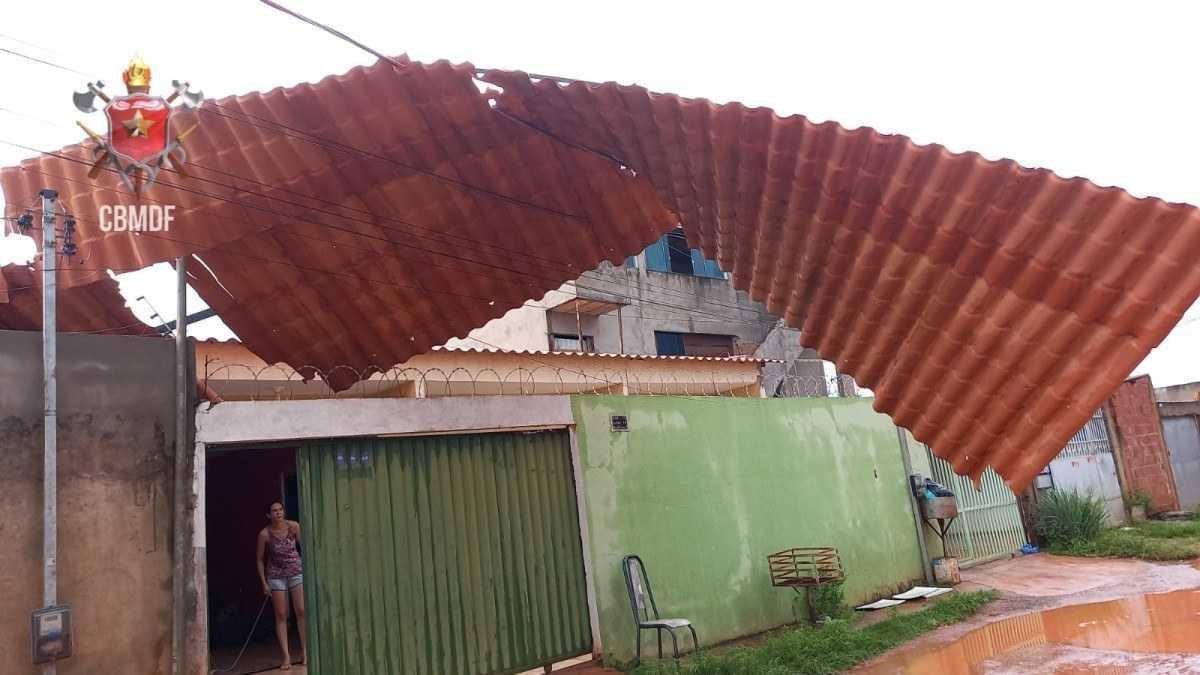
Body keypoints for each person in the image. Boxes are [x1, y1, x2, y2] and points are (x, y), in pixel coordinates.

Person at [256, 502, 306, 670]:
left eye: (280, 510)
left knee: (301, 610)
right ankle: (286, 656)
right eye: (274, 511)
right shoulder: (265, 534)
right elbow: (259, 560)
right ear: (268, 515)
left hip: (296, 572)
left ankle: (306, 651)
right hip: (276, 576)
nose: (278, 513)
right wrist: (264, 583)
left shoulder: (294, 527)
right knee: (281, 615)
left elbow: (304, 547)